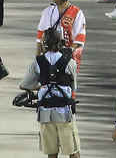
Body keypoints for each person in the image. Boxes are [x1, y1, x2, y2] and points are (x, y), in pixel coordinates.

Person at [23, 29, 79, 158]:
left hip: (45, 112)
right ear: (60, 43)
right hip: (64, 112)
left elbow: (25, 85)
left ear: (43, 43)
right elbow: (73, 87)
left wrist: (42, 87)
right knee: (73, 150)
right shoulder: (69, 62)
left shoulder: (38, 61)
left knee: (51, 152)